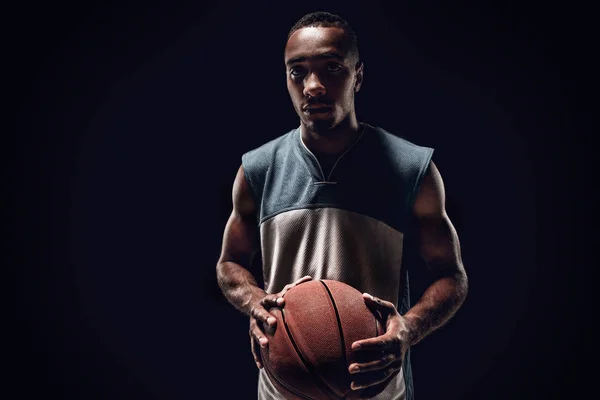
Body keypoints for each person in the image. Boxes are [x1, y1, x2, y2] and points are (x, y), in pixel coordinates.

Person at [216, 11, 468, 400]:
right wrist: (256, 305)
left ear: (358, 75)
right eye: (297, 72)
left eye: (332, 68)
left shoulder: (409, 167)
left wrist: (410, 328)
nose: (313, 86)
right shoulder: (257, 168)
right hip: (284, 388)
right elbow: (229, 263)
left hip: (377, 388)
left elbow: (452, 275)